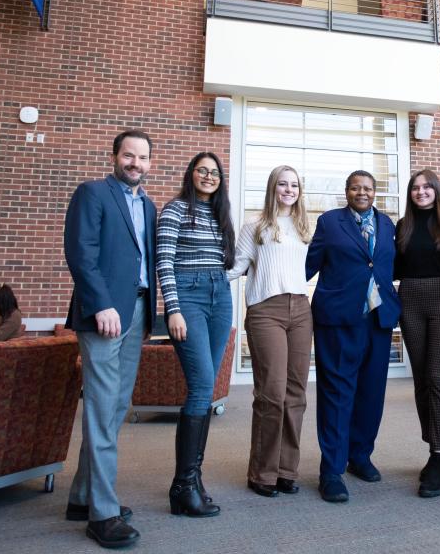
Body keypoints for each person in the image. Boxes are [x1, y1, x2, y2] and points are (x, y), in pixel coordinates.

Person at [63, 130, 157, 549]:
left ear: (150, 163)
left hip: (137, 310)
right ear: (115, 156)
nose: (135, 163)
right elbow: (80, 251)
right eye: (128, 155)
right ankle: (103, 512)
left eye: (142, 157)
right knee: (102, 407)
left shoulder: (150, 206)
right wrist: (100, 303)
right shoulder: (93, 193)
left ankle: (82, 497)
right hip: (104, 312)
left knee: (116, 407)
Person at [306, 170, 401, 503]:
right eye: (356, 187)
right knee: (337, 392)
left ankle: (359, 455)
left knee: (371, 392)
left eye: (368, 188)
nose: (362, 192)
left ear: (376, 193)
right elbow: (308, 263)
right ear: (346, 191)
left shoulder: (387, 225)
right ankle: (331, 469)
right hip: (339, 319)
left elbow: (387, 266)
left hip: (378, 319)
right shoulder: (330, 222)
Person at [157, 151, 235, 518]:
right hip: (188, 298)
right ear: (191, 175)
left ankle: (194, 479)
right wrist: (173, 309)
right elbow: (164, 261)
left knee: (206, 388)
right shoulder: (174, 210)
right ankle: (182, 487)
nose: (208, 177)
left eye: (214, 172)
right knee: (202, 385)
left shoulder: (219, 215)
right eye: (202, 171)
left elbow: (225, 262)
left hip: (221, 297)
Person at [228, 165, 313, 498]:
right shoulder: (255, 226)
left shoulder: (307, 228)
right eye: (283, 184)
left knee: (296, 395)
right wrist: (205, 277)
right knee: (272, 393)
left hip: (301, 311)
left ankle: (286, 470)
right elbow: (236, 266)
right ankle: (262, 472)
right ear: (272, 188)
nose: (289, 190)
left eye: (294, 185)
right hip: (267, 311)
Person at [393, 169, 440, 498]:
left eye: (426, 187)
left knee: (438, 377)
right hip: (408, 298)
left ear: (436, 190)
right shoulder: (402, 226)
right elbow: (392, 267)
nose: (421, 192)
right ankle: (433, 451)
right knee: (422, 379)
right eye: (415, 188)